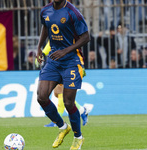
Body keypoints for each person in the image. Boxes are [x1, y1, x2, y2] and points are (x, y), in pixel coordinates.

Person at [36, 0, 90, 149]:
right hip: (54, 60)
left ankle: (78, 137)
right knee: (41, 96)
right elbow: (45, 28)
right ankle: (62, 127)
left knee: (68, 102)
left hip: (72, 61)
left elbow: (86, 37)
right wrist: (40, 47)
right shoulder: (45, 11)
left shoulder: (73, 13)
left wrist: (66, 50)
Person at [37, 41, 94, 127]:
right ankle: (82, 110)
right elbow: (51, 43)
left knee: (61, 93)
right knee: (59, 94)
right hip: (57, 63)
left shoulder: (66, 32)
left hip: (69, 64)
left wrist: (43, 52)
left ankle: (57, 119)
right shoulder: (55, 33)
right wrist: (42, 52)